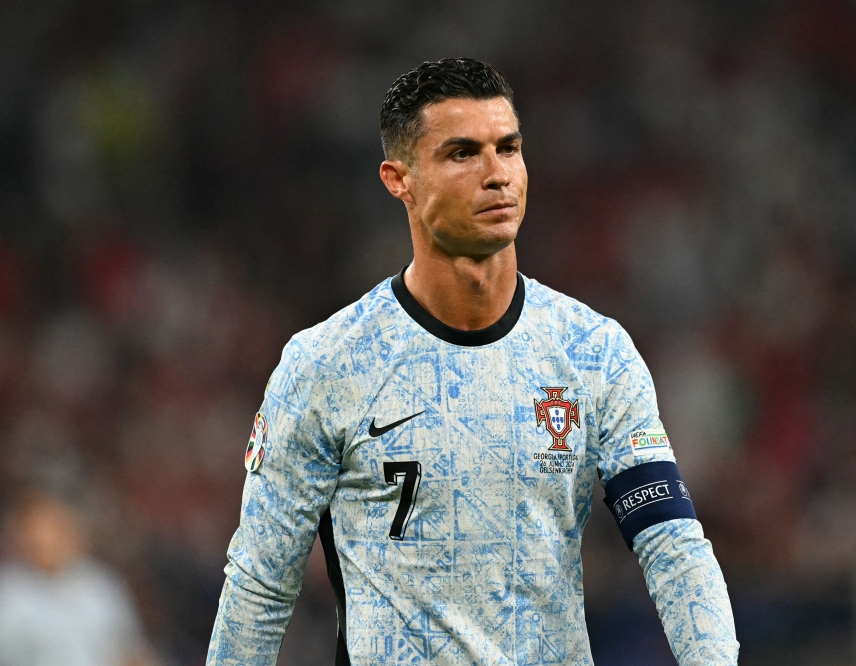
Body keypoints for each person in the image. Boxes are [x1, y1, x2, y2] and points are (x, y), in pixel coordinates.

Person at [207, 58, 739, 665]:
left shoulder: (593, 352)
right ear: (398, 178)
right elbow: (260, 583)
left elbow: (671, 543)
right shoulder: (328, 364)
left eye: (508, 148)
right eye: (462, 153)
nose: (497, 175)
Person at [0, 487, 153, 666]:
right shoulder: (9, 593)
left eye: (54, 527)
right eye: (37, 529)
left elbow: (131, 651)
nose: (46, 539)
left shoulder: (100, 582)